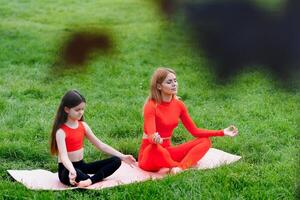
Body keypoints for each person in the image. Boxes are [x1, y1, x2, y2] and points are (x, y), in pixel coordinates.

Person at [138, 67, 238, 174]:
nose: (174, 84)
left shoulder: (179, 105)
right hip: (149, 156)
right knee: (155, 148)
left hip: (167, 151)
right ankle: (174, 165)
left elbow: (195, 131)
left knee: (205, 141)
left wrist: (222, 132)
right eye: (169, 82)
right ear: (159, 86)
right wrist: (155, 138)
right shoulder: (151, 106)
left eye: (175, 81)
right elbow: (151, 135)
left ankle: (180, 168)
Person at [50, 90, 136, 187]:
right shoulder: (61, 132)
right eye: (77, 110)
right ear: (66, 109)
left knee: (116, 161)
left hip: (81, 165)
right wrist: (72, 170)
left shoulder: (83, 125)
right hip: (66, 170)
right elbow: (64, 157)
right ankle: (90, 180)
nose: (81, 112)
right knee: (82, 176)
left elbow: (100, 145)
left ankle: (89, 181)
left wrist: (122, 156)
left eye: (82, 109)